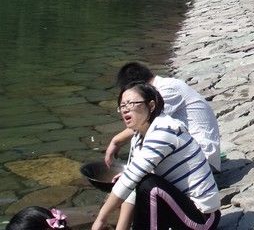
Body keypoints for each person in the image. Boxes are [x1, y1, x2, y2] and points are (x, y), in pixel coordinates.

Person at [92, 82, 220, 230]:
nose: (126, 110)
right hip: (181, 211)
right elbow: (131, 183)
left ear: (151, 106)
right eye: (122, 106)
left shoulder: (164, 130)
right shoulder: (139, 136)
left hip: (202, 219)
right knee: (139, 180)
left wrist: (101, 219)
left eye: (131, 103)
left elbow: (133, 178)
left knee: (149, 185)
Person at [105, 62, 221, 172]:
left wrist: (116, 141)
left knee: (142, 170)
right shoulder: (165, 85)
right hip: (197, 155)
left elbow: (146, 121)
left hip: (203, 161)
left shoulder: (165, 89)